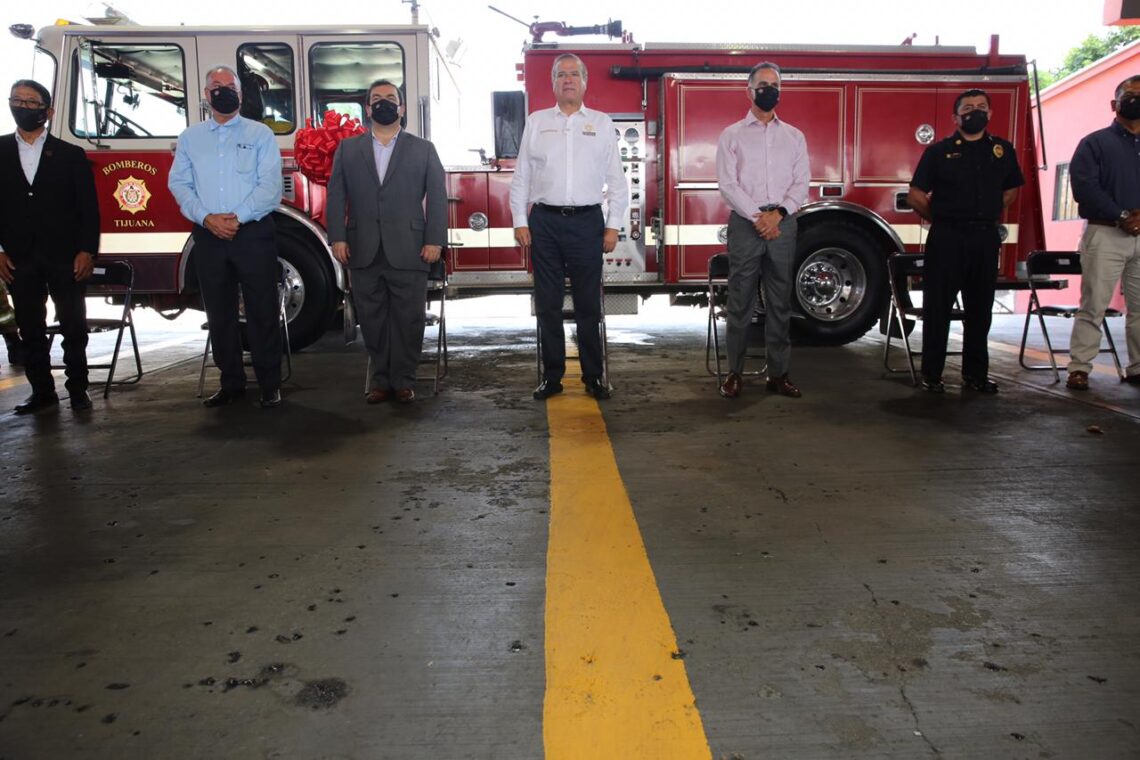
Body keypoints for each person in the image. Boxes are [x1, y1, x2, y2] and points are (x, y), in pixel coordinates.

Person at [510, 53, 628, 401]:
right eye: (561, 75)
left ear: (584, 82)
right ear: (553, 83)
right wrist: (520, 220)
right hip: (544, 222)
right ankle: (552, 377)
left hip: (588, 223)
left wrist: (613, 226)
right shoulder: (536, 122)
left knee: (588, 304)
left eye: (574, 74)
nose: (568, 80)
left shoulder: (602, 123)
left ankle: (594, 376)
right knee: (547, 304)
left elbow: (616, 182)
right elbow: (522, 177)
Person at [169, 64, 284, 409]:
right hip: (209, 237)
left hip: (253, 235)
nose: (222, 90)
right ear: (206, 95)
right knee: (219, 314)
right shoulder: (190, 138)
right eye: (216, 86)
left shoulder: (260, 134)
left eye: (229, 85)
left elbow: (270, 188)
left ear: (240, 93)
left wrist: (236, 218)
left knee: (263, 311)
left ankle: (269, 384)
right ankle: (231, 382)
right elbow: (179, 184)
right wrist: (207, 218)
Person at [326, 79, 447, 404]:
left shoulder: (423, 149)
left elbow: (437, 197)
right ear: (367, 109)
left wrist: (435, 240)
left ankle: (405, 381)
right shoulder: (348, 149)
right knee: (373, 318)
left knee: (409, 319)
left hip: (411, 248)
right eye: (376, 99)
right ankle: (380, 381)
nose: (383, 103)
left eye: (390, 98)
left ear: (402, 108)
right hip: (362, 248)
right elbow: (336, 195)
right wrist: (336, 236)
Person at [907, 88, 1023, 394]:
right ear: (955, 117)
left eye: (981, 107)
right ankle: (932, 375)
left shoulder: (1002, 150)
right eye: (968, 107)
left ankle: (976, 376)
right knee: (938, 309)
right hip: (947, 237)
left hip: (985, 237)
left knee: (980, 310)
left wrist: (988, 212)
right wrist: (943, 219)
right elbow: (916, 195)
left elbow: (1012, 189)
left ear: (991, 114)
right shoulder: (938, 152)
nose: (975, 111)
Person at [0, 79, 99, 414]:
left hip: (65, 256)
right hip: (18, 257)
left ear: (48, 110)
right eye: (17, 100)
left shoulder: (71, 154)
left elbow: (88, 208)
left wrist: (87, 250)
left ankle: (78, 390)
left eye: (31, 102)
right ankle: (42, 392)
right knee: (30, 328)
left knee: (73, 325)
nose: (23, 107)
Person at [715, 61, 810, 399]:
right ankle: (734, 373)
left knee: (780, 302)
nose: (769, 89)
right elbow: (728, 184)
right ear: (749, 91)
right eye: (763, 84)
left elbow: (801, 183)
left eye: (774, 84)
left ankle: (778, 374)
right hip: (746, 223)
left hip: (783, 223)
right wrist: (758, 216)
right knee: (739, 301)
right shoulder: (732, 135)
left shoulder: (794, 136)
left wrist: (779, 213)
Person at [1064, 75, 1140, 390]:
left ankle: (1137, 368)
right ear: (1115, 104)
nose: (1135, 99)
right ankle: (1079, 368)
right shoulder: (1094, 143)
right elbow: (1085, 187)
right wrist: (1121, 215)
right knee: (1094, 303)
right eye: (1129, 94)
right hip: (1105, 232)